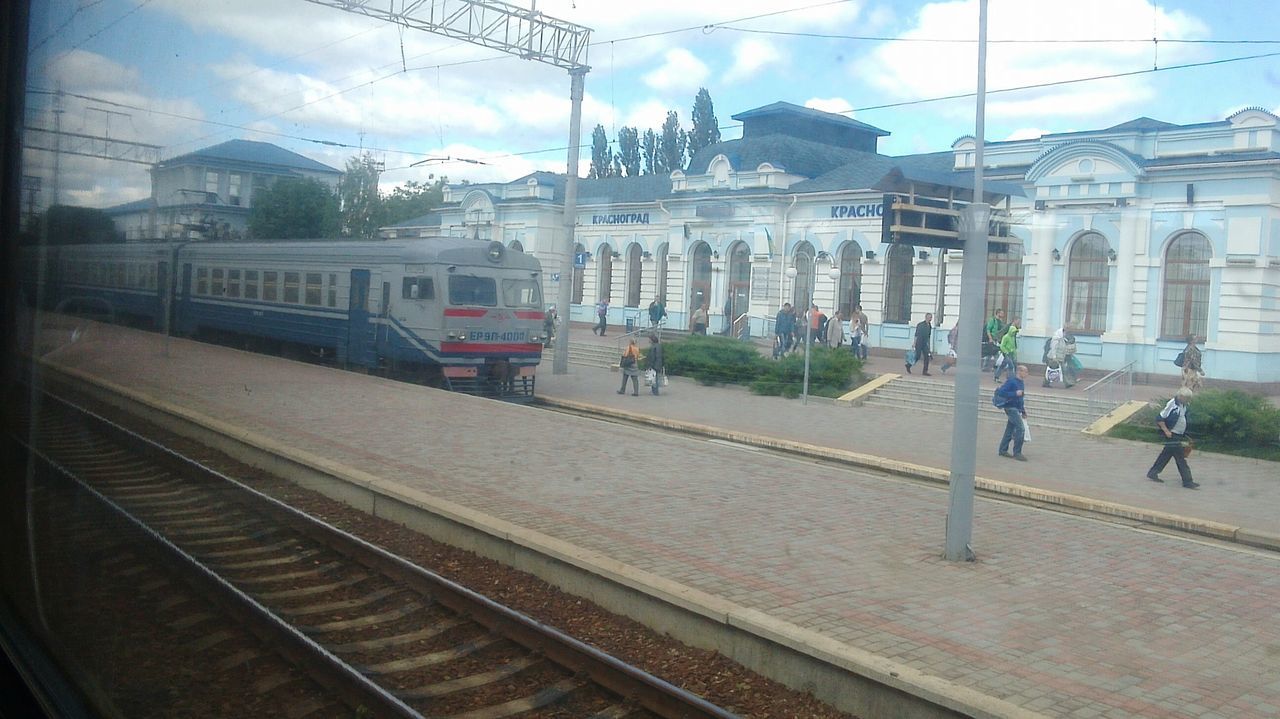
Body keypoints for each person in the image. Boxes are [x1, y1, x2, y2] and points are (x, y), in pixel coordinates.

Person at [1147, 388, 1199, 489]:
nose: (1188, 400)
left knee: (1165, 455)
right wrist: (1166, 431)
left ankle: (1153, 473)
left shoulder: (1184, 405)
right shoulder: (1172, 404)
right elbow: (1160, 418)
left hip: (1178, 434)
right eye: (1187, 398)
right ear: (1181, 396)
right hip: (1172, 435)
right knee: (1180, 459)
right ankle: (1187, 481)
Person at [994, 364, 1030, 461]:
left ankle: (1002, 450)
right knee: (1020, 428)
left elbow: (1020, 398)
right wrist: (1014, 393)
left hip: (1016, 408)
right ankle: (1017, 452)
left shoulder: (1021, 383)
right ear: (1019, 372)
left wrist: (1023, 410)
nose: (1027, 373)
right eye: (1025, 371)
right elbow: (1001, 392)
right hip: (1010, 407)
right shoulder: (1011, 381)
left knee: (1009, 430)